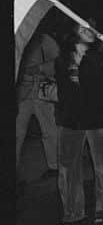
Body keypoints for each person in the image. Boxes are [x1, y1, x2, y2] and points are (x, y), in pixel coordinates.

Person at [54, 19, 103, 225]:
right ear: (74, 32)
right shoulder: (62, 61)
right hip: (71, 120)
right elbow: (63, 92)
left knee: (102, 166)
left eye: (91, 28)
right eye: (83, 28)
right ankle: (72, 211)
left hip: (99, 119)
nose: (89, 31)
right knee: (68, 168)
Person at [16, 27, 61, 184]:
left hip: (42, 92)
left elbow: (59, 62)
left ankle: (54, 166)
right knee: (16, 133)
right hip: (21, 93)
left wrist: (40, 68)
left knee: (50, 130)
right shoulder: (17, 38)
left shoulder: (45, 40)